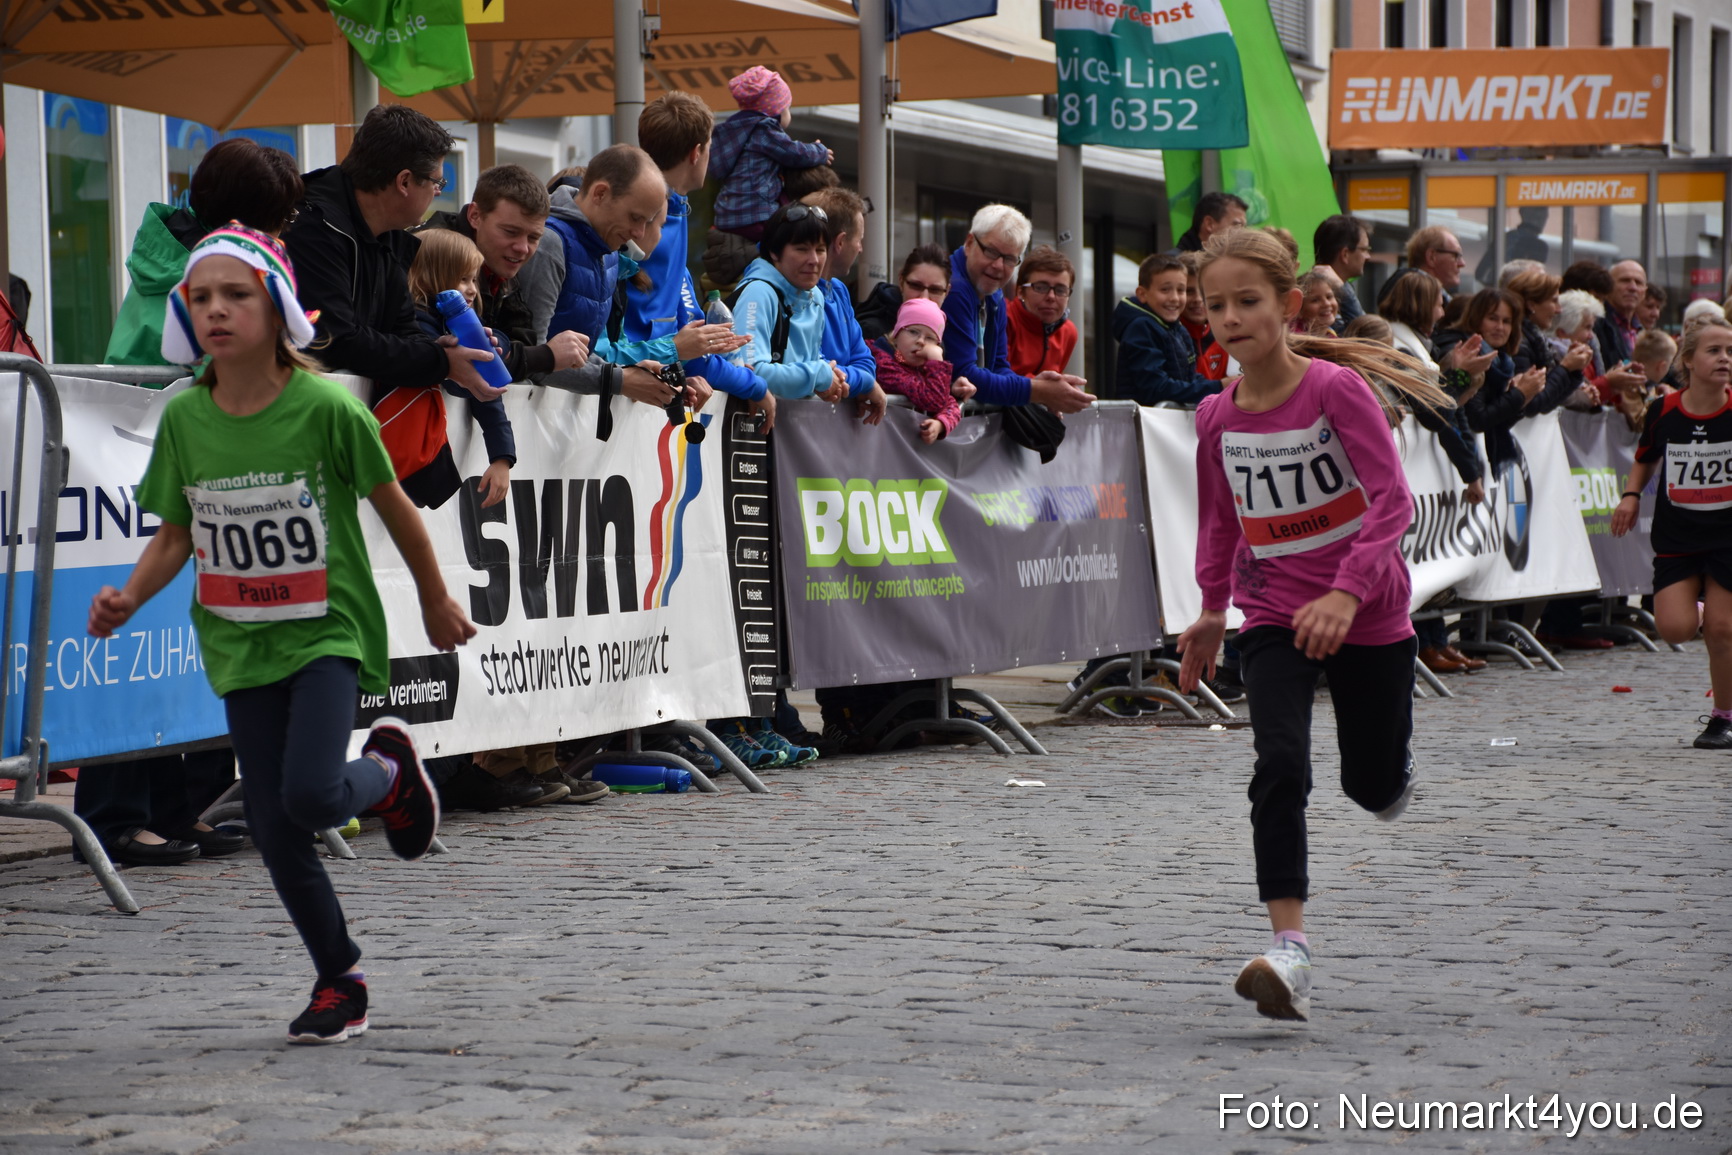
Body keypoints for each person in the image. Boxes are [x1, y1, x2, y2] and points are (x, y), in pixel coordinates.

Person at [87, 225, 470, 1043]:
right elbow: (178, 533)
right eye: (201, 298)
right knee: (273, 823)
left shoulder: (328, 405)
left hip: (325, 628)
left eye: (238, 295)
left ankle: (386, 771)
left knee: (308, 794)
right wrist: (128, 596)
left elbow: (396, 507)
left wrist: (436, 600)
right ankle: (341, 978)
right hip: (238, 638)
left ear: (279, 306)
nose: (218, 311)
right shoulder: (188, 417)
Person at [1176, 227, 1452, 1022]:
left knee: (1369, 787)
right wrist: (1209, 611)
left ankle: (1390, 766)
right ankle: (1289, 948)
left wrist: (1345, 592)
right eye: (1216, 306)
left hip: (1369, 613)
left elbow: (1392, 501)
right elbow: (1220, 522)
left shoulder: (1334, 390)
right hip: (1270, 614)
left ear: (1289, 305)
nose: (1230, 318)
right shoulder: (1214, 417)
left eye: (1247, 301)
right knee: (1279, 765)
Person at [78, 138, 308, 869]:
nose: (283, 234)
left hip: (195, 468)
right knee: (144, 648)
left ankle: (180, 806)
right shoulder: (198, 274)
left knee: (195, 644)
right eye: (278, 219)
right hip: (149, 473)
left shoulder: (191, 258)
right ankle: (118, 814)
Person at [283, 105, 499, 402]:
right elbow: (334, 339)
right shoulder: (313, 227)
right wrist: (441, 360)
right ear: (405, 181)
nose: (438, 192)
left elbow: (402, 330)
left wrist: (446, 347)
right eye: (437, 181)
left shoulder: (390, 233)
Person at [1612, 317, 1732, 749]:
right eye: (1714, 351)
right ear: (1688, 360)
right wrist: (1630, 495)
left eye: (1731, 352)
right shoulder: (1665, 410)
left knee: (1722, 630)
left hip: (1727, 537)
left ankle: (1723, 718)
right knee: (1675, 629)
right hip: (1678, 535)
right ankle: (1700, 605)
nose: (1725, 359)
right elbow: (1645, 456)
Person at [625, 91, 775, 430]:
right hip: (625, 401)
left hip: (639, 396)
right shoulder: (660, 220)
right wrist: (754, 385)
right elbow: (686, 349)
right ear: (697, 153)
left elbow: (687, 344)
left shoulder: (673, 211)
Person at [523, 146, 688, 421]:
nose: (639, 233)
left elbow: (580, 357)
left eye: (648, 222)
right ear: (600, 193)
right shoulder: (550, 244)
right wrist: (619, 379)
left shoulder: (610, 252)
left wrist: (629, 369)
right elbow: (534, 361)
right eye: (635, 218)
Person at [108, 138, 303, 366]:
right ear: (251, 229)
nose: (280, 237)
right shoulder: (219, 280)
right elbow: (237, 383)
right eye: (284, 218)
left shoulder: (169, 250)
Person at [415, 164, 588, 383]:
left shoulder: (498, 263)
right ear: (475, 216)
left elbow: (521, 339)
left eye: (534, 238)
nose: (523, 248)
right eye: (511, 232)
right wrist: (547, 356)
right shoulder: (437, 258)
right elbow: (473, 357)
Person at [400, 228, 518, 509]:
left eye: (474, 279)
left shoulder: (458, 321)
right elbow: (456, 382)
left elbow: (486, 393)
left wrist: (501, 456)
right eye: (462, 278)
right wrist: (458, 358)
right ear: (431, 273)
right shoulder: (414, 319)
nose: (472, 289)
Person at [942, 204, 1092, 414]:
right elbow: (964, 375)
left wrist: (1034, 386)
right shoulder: (955, 288)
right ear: (969, 243)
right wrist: (1037, 390)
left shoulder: (994, 293)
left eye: (1010, 259)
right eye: (992, 252)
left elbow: (999, 367)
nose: (998, 266)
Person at [703, 66, 834, 285]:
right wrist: (819, 151)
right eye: (787, 108)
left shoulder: (734, 131)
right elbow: (794, 152)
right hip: (757, 216)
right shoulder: (764, 129)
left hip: (727, 217)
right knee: (790, 230)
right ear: (775, 111)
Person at [800, 185, 889, 423]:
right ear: (840, 242)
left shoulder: (839, 291)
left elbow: (866, 363)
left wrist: (855, 381)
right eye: (859, 240)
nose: (860, 248)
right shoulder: (794, 291)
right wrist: (862, 383)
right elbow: (811, 368)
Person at [1110, 253, 1219, 407]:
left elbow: (1190, 378)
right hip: (1141, 426)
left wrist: (1222, 388)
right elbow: (1155, 388)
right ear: (1142, 294)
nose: (1174, 298)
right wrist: (1218, 387)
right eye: (1165, 290)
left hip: (1164, 424)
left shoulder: (1179, 330)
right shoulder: (1141, 328)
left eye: (1181, 290)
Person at [872, 298, 960, 443]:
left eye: (930, 338)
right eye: (913, 332)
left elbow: (950, 404)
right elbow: (934, 400)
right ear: (896, 334)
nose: (921, 341)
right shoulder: (883, 363)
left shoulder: (923, 370)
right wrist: (937, 362)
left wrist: (941, 423)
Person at [1006, 245, 1079, 377]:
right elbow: (995, 376)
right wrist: (1041, 387)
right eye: (1040, 287)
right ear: (1020, 291)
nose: (1051, 297)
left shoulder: (1068, 332)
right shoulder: (1005, 319)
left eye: (1061, 290)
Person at [856, 243, 953, 342]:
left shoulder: (942, 329)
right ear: (901, 282)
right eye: (916, 286)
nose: (924, 297)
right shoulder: (870, 332)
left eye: (935, 290)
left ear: (947, 291)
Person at [1310, 214, 1371, 331]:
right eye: (1364, 249)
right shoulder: (1313, 296)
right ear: (1345, 254)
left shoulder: (1344, 288)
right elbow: (1366, 335)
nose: (1368, 256)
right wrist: (1345, 294)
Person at [1179, 252, 1228, 381]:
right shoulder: (1169, 336)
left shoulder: (1227, 330)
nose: (1198, 299)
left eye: (1204, 291)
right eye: (1189, 291)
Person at [1174, 190, 1248, 253]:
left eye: (1244, 227)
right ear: (1209, 224)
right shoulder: (1175, 267)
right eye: (1237, 225)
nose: (1243, 233)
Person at [1293, 269, 1339, 336]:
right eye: (1315, 300)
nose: (1327, 304)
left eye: (1329, 297)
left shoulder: (1331, 335)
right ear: (1299, 310)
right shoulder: (1295, 339)